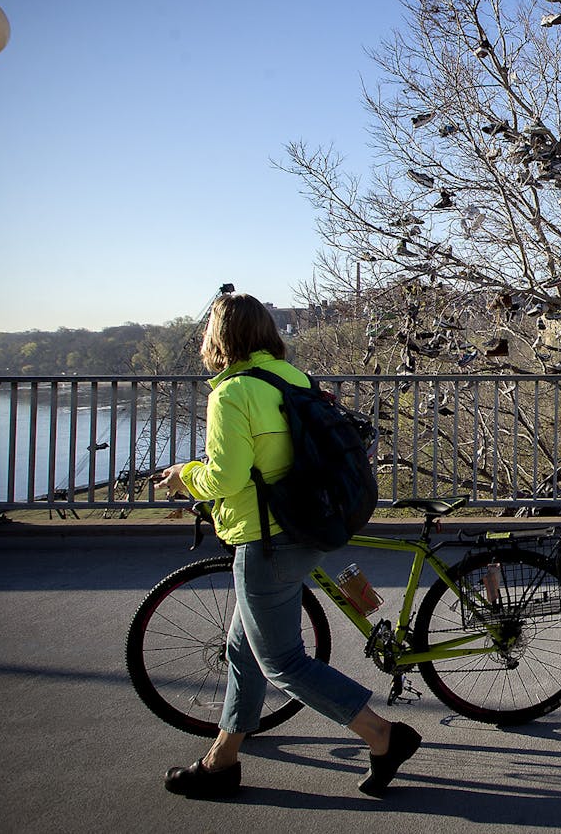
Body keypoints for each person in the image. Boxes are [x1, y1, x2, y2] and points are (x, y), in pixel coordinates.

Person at [155, 293, 420, 799]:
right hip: (307, 526)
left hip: (266, 541)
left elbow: (227, 476)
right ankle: (222, 759)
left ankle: (382, 734)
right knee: (243, 650)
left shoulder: (231, 393)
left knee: (282, 661)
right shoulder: (291, 379)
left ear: (220, 337)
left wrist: (183, 476)